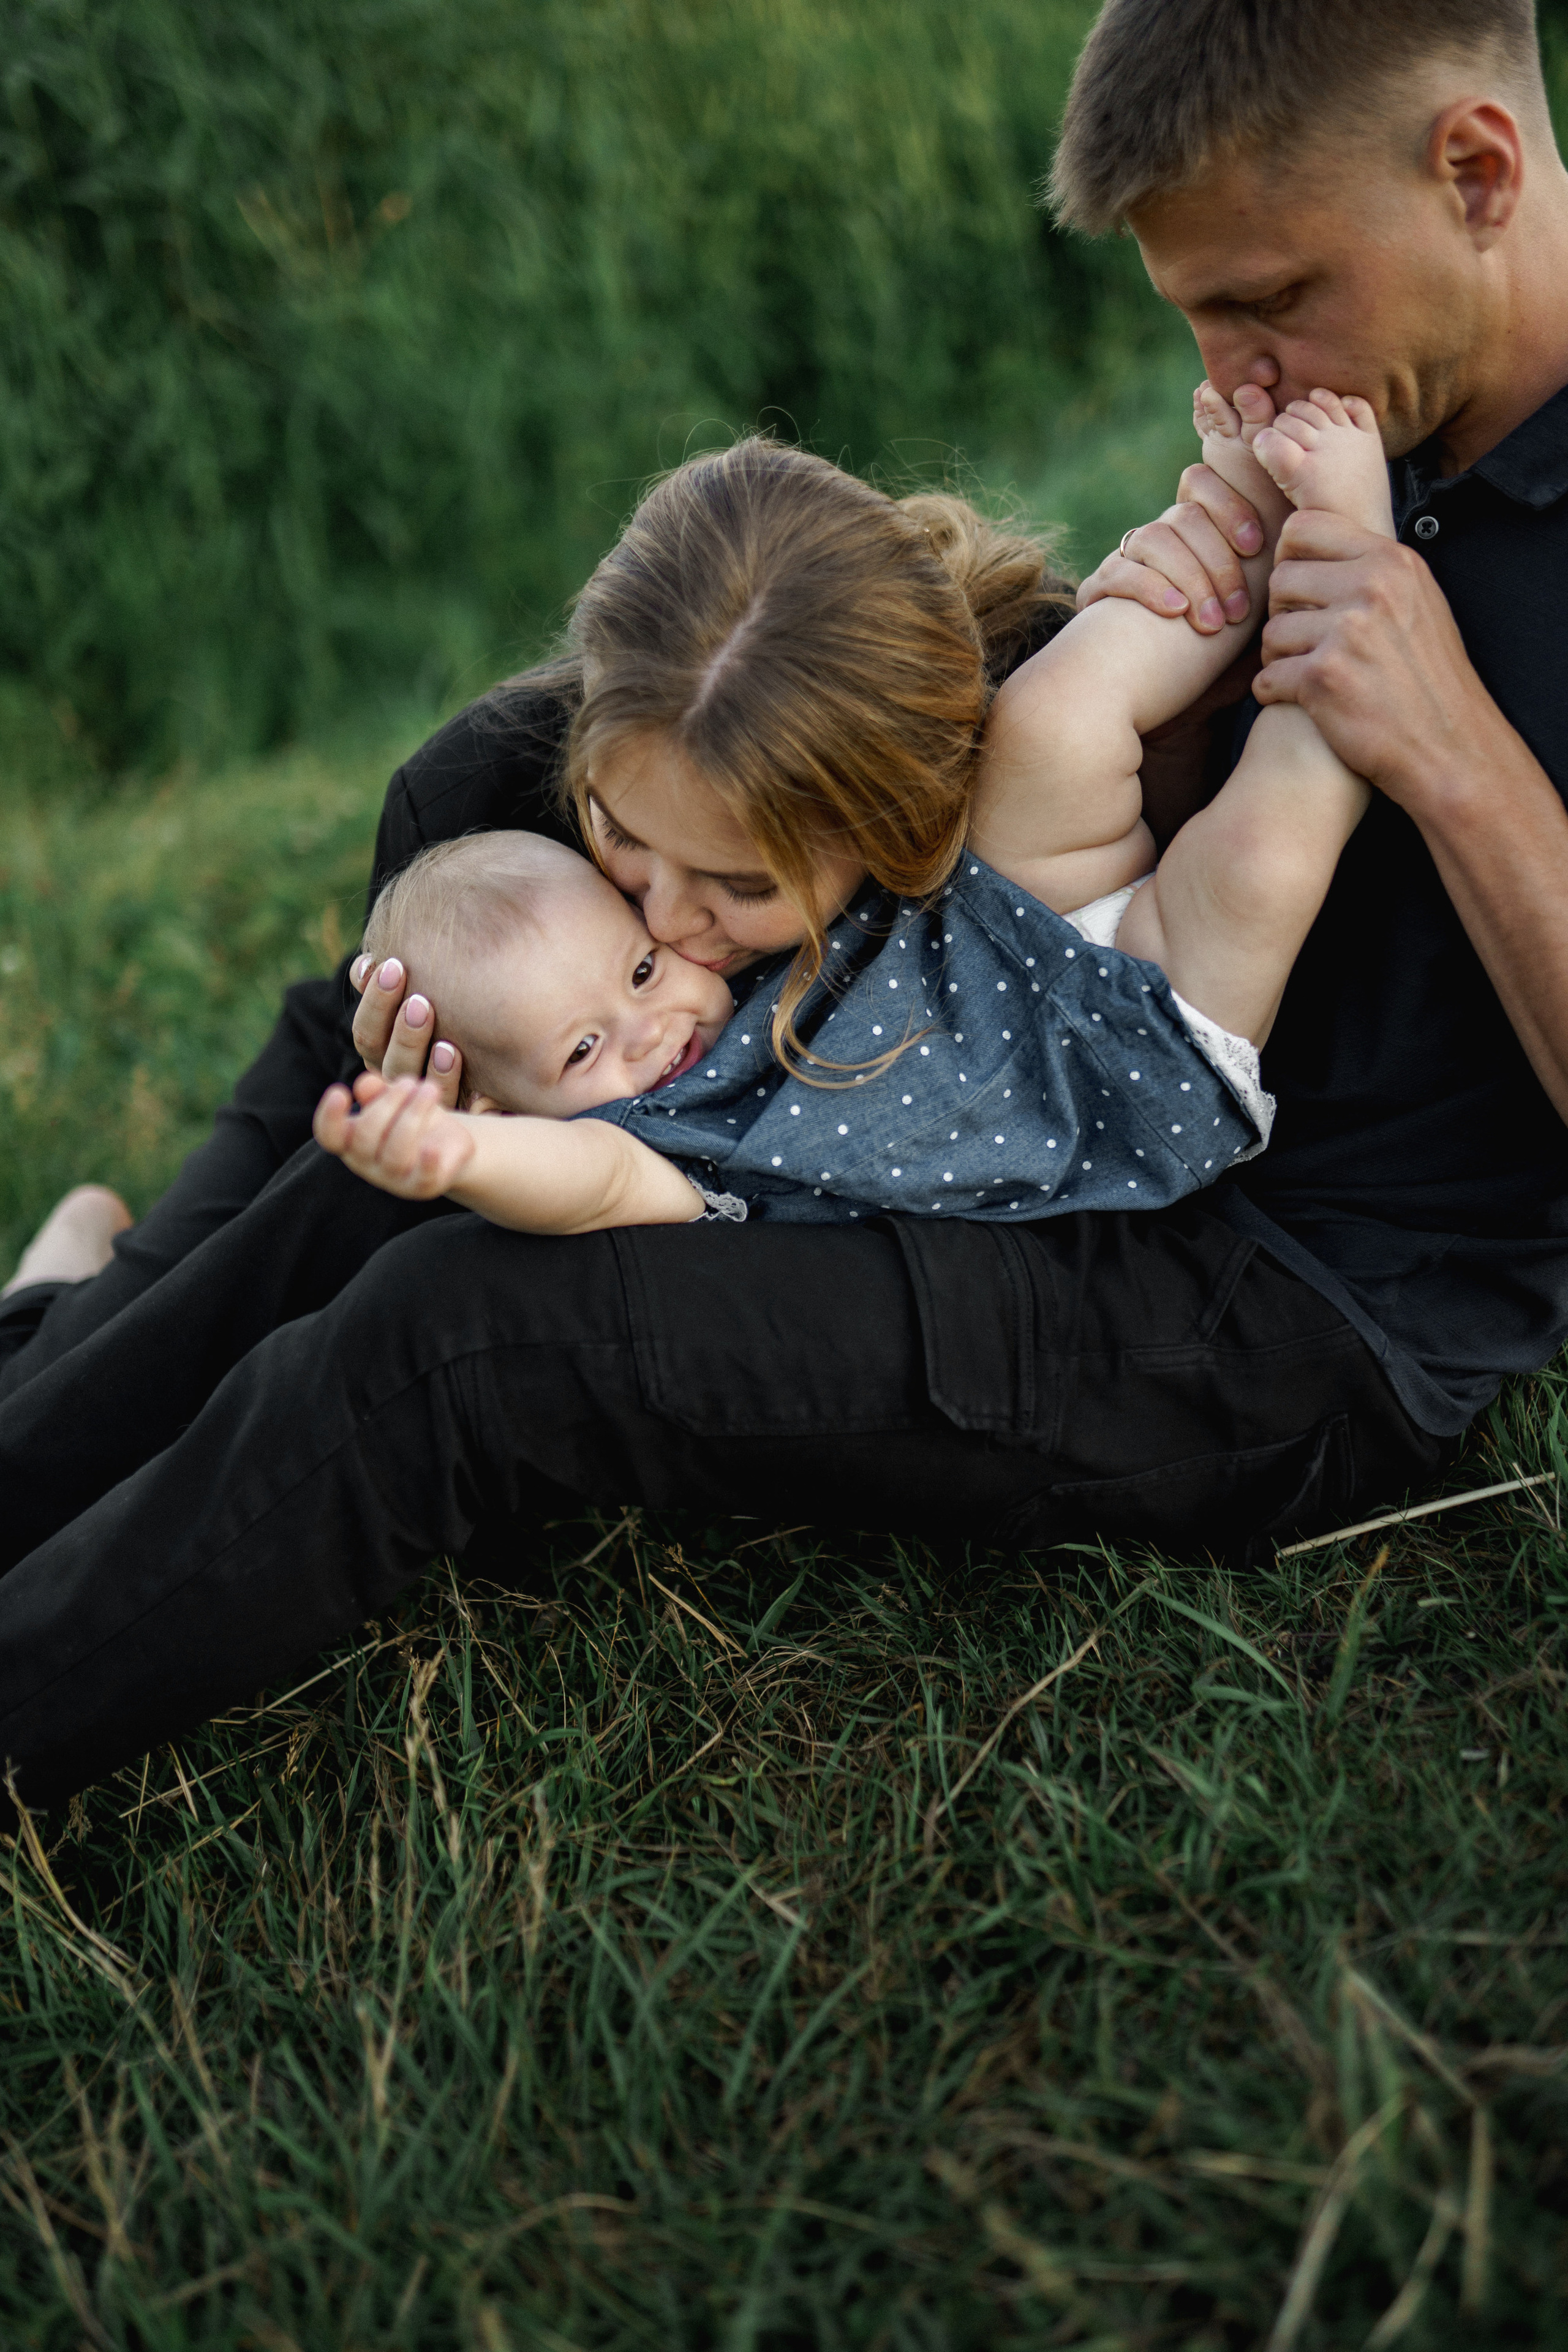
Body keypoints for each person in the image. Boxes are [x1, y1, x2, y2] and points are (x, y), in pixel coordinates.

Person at [2, 0, 1559, 1814]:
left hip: (1257, 1287)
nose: (1237, 367)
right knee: (485, 792)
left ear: (1475, 170)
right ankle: (83, 1382)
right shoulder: (1377, 397)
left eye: (1269, 301)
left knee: (472, 1319)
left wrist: (1451, 745)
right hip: (1041, 1012)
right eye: (1199, 316)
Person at [317, 391, 1385, 1237]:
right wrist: (465, 1158)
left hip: (997, 924)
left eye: (736, 886)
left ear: (897, 821)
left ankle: (1244, 505)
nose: (668, 927)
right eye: (628, 844)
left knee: (1058, 719)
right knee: (1260, 857)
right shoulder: (665, 1134)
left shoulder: (650, 979)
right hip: (1125, 1085)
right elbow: (585, 1182)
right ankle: (1357, 550)